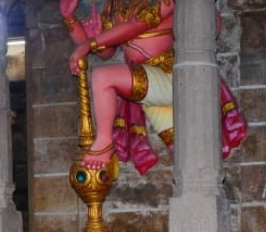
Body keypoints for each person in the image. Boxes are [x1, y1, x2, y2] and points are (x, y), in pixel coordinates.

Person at [59, 0, 246, 174]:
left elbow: (136, 26)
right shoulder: (115, 6)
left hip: (171, 76)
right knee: (186, 162)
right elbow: (107, 52)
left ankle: (104, 141)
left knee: (102, 77)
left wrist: (90, 43)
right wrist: (70, 19)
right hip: (149, 84)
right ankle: (194, 205)